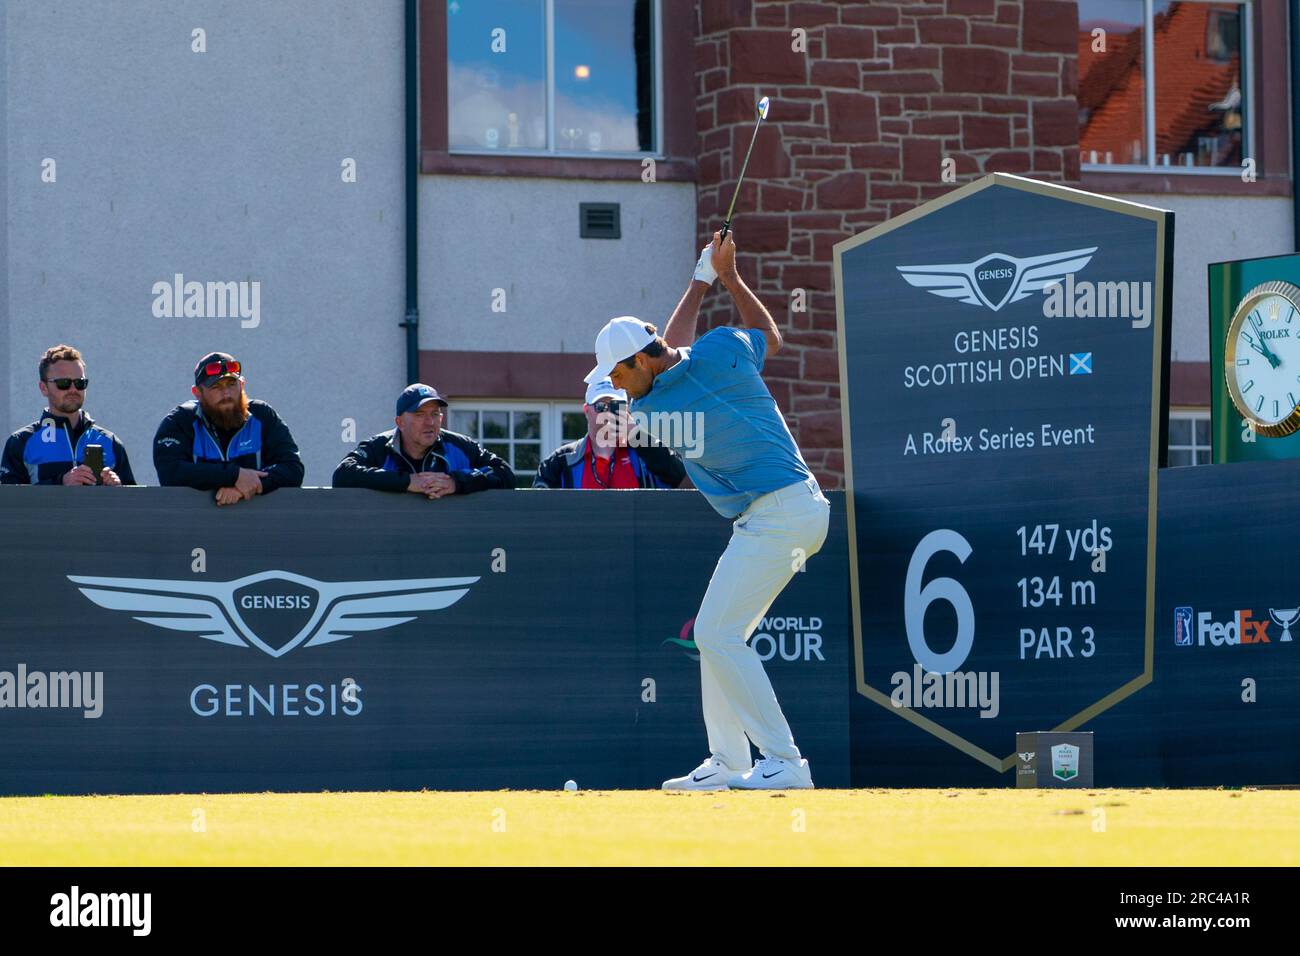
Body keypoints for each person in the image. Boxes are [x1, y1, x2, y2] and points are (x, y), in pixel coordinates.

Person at [587, 234, 830, 791]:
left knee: (718, 635)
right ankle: (727, 761)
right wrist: (727, 278)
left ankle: (784, 762)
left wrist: (704, 279)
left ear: (637, 362)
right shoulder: (723, 348)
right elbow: (767, 334)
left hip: (782, 513)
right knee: (719, 636)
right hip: (785, 512)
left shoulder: (652, 408)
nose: (616, 389)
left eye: (617, 375)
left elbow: (667, 351)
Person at [153, 352, 304, 506]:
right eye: (216, 387)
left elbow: (292, 468)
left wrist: (247, 486)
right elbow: (171, 472)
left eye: (231, 384)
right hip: (195, 525)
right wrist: (234, 475)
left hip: (259, 525)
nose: (226, 393)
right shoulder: (179, 421)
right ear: (197, 393)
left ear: (242, 385)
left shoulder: (262, 416)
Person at [332, 383, 515, 496]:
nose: (430, 422)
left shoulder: (460, 445)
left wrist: (456, 482)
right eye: (420, 415)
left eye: (435, 414)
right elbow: (343, 475)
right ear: (400, 422)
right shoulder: (379, 446)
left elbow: (504, 473)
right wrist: (407, 482)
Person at [1, 344, 136, 486]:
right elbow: (9, 503)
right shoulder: (20, 442)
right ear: (44, 388)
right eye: (63, 383)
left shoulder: (110, 441)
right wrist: (61, 483)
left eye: (80, 383)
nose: (73, 389)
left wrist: (120, 489)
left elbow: (135, 504)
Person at [532, 379, 685, 489]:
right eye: (600, 406)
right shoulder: (560, 461)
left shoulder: (647, 454)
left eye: (615, 406)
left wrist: (638, 436)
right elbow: (538, 509)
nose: (608, 413)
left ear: (627, 410)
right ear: (586, 411)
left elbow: (681, 478)